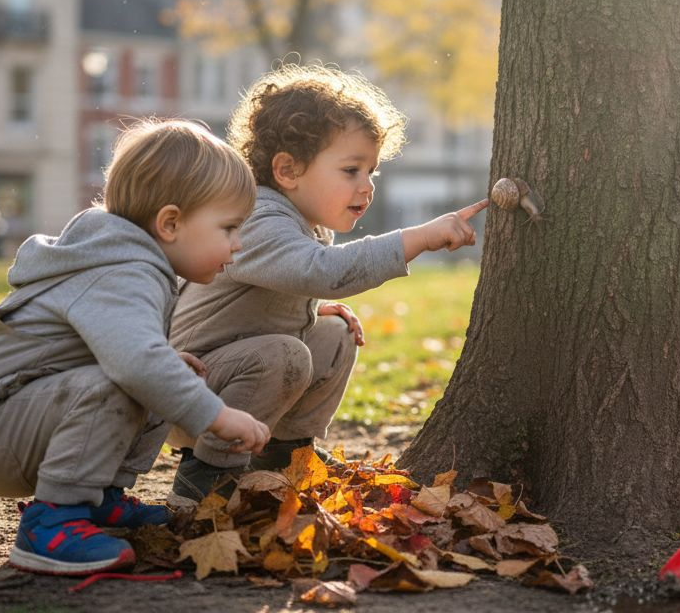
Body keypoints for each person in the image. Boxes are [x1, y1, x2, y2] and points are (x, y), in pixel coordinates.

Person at [0, 119, 271, 576]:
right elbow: (136, 362)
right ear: (171, 222)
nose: (237, 245)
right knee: (137, 377)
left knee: (169, 373)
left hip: (20, 420)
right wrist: (217, 417)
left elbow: (129, 356)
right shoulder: (124, 268)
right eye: (229, 228)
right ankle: (51, 523)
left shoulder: (129, 257)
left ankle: (101, 498)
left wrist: (167, 373)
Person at [166, 64, 487, 504]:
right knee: (286, 354)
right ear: (288, 170)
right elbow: (322, 271)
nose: (367, 186)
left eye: (371, 171)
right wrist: (418, 238)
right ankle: (203, 478)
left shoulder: (304, 223)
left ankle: (285, 454)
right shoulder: (254, 217)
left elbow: (285, 284)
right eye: (351, 170)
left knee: (335, 335)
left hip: (238, 373)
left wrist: (312, 311)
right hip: (190, 387)